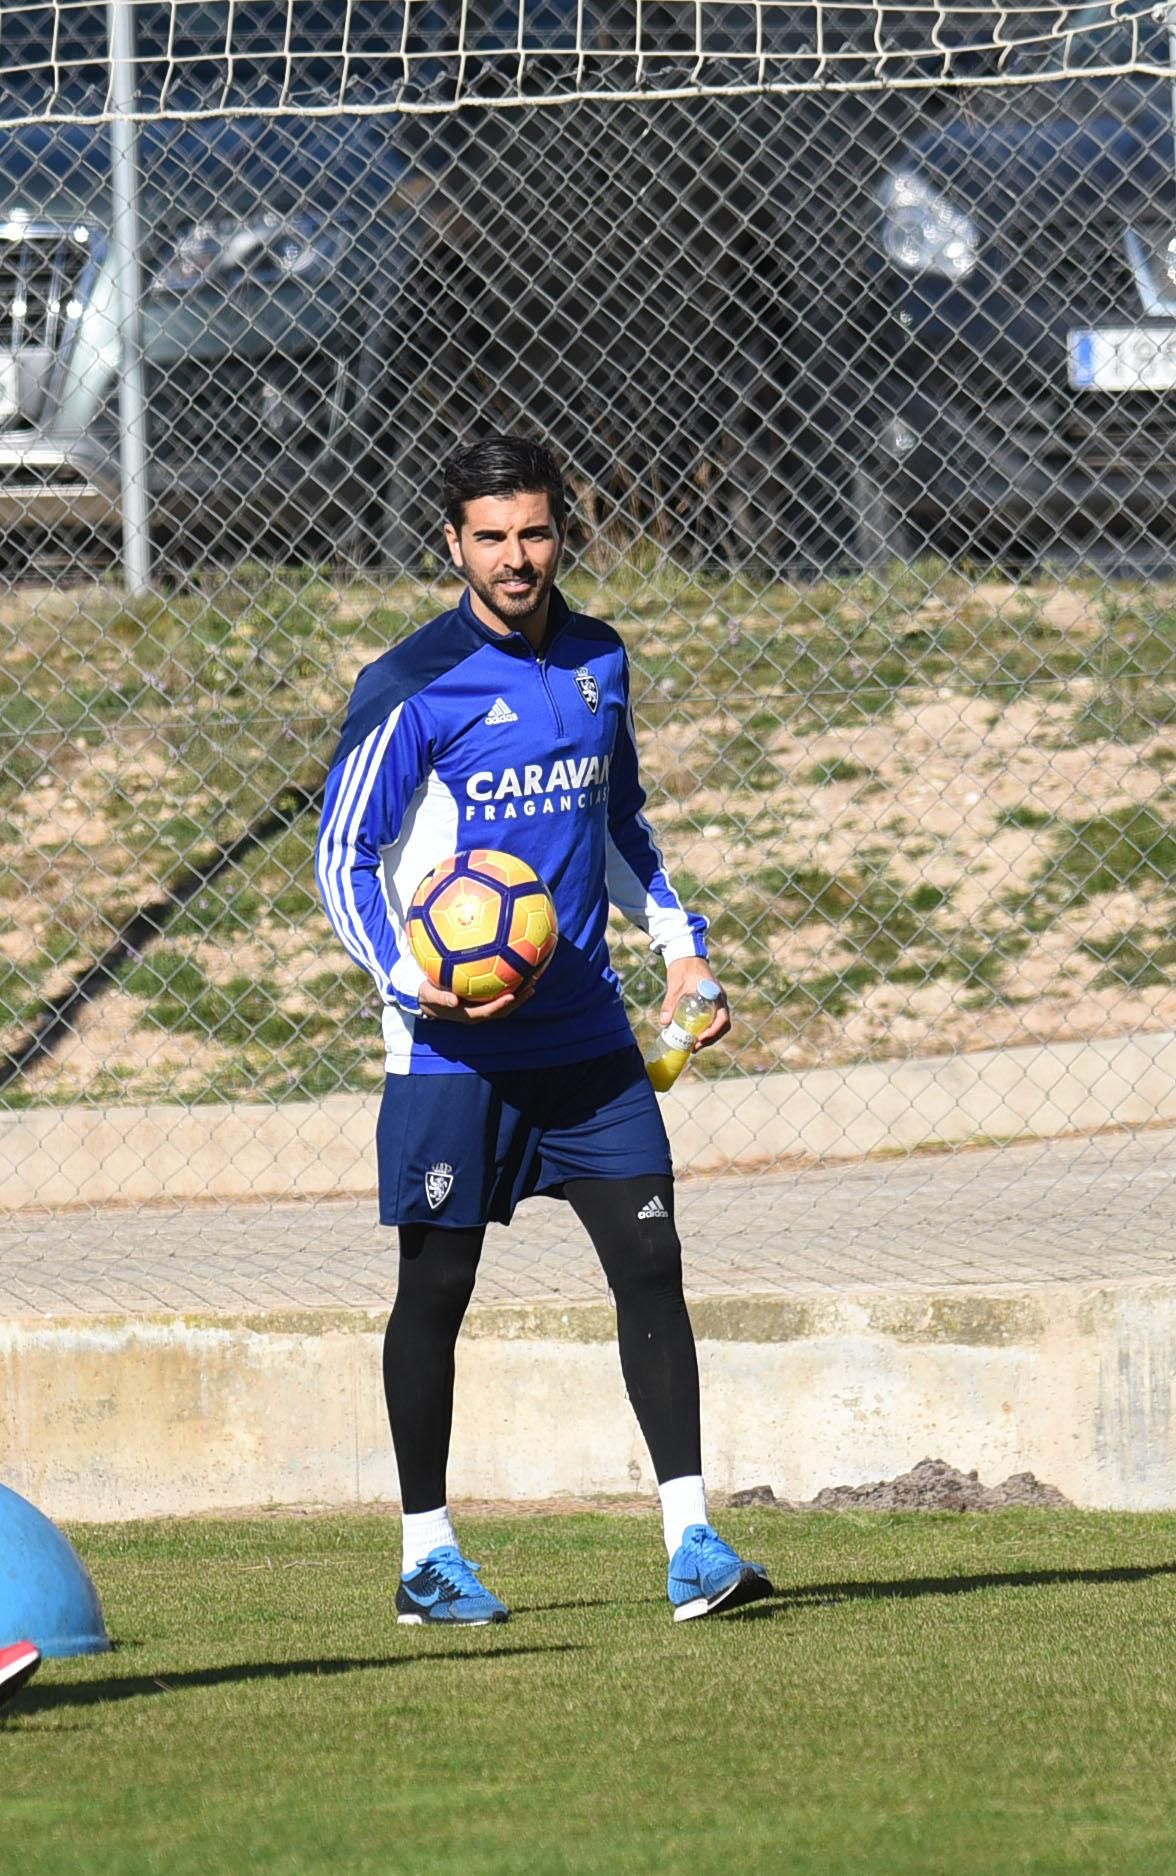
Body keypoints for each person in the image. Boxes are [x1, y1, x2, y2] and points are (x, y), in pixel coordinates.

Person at [315, 434, 772, 1625]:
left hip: (586, 1043)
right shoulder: (409, 684)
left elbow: (620, 822)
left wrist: (681, 950)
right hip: (449, 1054)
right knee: (438, 1288)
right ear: (452, 545)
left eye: (536, 533)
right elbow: (342, 859)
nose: (518, 558)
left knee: (652, 1263)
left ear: (563, 531)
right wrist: (419, 983)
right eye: (493, 537)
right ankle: (426, 1555)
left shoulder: (598, 658)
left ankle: (694, 1544)